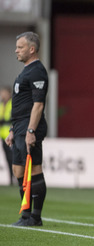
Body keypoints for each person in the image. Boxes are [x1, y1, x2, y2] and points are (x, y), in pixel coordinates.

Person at [5, 32, 48, 226]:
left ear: (32, 49)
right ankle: (26, 214)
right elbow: (21, 104)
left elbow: (38, 105)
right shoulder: (25, 71)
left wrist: (31, 131)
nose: (16, 50)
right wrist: (14, 129)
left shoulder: (37, 71)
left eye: (20, 47)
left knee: (35, 168)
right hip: (20, 126)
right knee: (17, 170)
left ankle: (34, 217)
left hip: (31, 126)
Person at [0, 86, 14, 185]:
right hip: (3, 136)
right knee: (7, 158)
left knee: (13, 157)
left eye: (4, 93)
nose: (2, 95)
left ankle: (16, 177)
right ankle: (10, 178)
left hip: (12, 136)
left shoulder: (12, 104)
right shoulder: (1, 105)